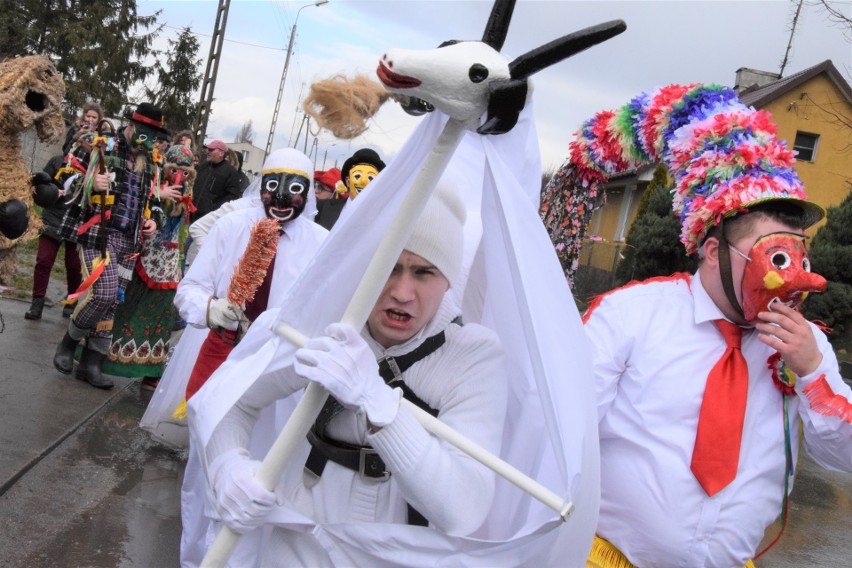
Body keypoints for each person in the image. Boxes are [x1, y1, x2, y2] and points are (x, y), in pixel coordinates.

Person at [571, 84, 852, 567]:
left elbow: (843, 459)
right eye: (772, 256)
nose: (788, 276)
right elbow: (559, 431)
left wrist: (811, 375)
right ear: (713, 251)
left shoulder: (807, 347)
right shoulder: (632, 315)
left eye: (797, 254)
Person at [187, 181, 507, 566]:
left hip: (402, 551)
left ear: (448, 280)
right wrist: (227, 469)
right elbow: (228, 402)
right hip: (301, 539)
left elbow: (462, 509)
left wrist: (380, 407)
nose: (403, 292)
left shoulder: (471, 357)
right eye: (388, 267)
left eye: (424, 272)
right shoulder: (320, 321)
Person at [53, 102, 171, 389]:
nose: (148, 141)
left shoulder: (151, 162)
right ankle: (68, 342)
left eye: (154, 136)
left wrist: (154, 221)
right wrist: (91, 182)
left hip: (130, 242)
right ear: (131, 125)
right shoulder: (100, 146)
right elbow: (65, 175)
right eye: (145, 133)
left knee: (113, 302)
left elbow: (154, 203)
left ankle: (92, 363)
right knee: (102, 293)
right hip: (97, 233)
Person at [100, 144, 194, 389]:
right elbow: (138, 213)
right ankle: (100, 356)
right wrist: (158, 199)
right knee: (122, 306)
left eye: (186, 173)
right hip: (141, 257)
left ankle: (152, 369)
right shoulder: (152, 187)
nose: (179, 178)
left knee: (161, 317)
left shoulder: (186, 195)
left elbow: (182, 231)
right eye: (175, 171)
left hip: (169, 265)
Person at [24, 140, 90, 320]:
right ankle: (36, 304)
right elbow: (41, 185)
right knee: (43, 261)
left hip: (76, 220)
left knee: (74, 266)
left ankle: (71, 302)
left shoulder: (93, 168)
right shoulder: (57, 161)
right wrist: (51, 191)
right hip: (52, 216)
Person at [314, 148, 384, 230]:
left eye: (371, 178)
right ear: (348, 181)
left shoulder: (384, 215)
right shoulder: (322, 207)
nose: (363, 182)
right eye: (357, 176)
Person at [191, 139, 242, 222]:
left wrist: (212, 209)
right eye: (207, 149)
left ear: (221, 153)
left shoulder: (230, 172)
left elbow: (232, 197)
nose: (208, 151)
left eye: (211, 149)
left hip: (209, 220)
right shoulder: (203, 166)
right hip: (192, 215)